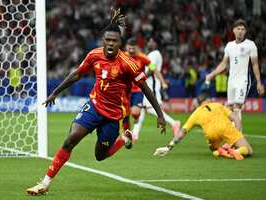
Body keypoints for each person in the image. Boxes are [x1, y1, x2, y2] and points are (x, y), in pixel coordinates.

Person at [27, 9, 166, 196]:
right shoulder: (94, 55)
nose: (110, 43)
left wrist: (159, 114)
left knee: (100, 156)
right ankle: (44, 183)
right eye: (107, 40)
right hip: (93, 105)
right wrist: (55, 93)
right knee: (70, 139)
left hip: (112, 114)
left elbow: (145, 88)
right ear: (103, 40)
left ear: (120, 43)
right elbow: (77, 74)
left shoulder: (128, 64)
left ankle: (123, 139)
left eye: (114, 41)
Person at [154, 92, 253, 160]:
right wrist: (238, 135)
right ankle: (238, 151)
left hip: (211, 134)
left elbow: (182, 133)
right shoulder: (217, 105)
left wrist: (169, 146)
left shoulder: (195, 113)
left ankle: (218, 152)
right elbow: (236, 119)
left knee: (213, 148)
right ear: (208, 100)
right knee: (249, 151)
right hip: (225, 127)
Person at [205, 19, 265, 126]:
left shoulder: (250, 45)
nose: (240, 31)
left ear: (245, 31)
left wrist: (259, 82)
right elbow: (224, 64)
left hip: (243, 80)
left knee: (237, 107)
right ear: (233, 30)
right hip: (231, 81)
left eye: (242, 29)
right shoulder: (229, 46)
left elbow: (255, 64)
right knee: (231, 108)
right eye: (238, 29)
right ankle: (233, 138)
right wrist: (212, 74)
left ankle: (237, 138)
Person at [131, 36, 181, 141]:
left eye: (152, 41)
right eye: (149, 41)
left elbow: (151, 70)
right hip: (146, 85)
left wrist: (139, 78)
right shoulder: (153, 54)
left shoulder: (154, 54)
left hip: (151, 85)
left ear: (156, 44)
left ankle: (174, 123)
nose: (149, 43)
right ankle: (135, 134)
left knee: (150, 109)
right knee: (142, 109)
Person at [122, 37, 151, 131]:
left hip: (138, 90)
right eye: (129, 48)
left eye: (133, 48)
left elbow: (152, 66)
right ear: (126, 47)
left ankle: (137, 116)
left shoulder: (142, 57)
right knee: (124, 115)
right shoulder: (122, 56)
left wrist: (146, 75)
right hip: (125, 89)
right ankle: (127, 135)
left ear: (137, 48)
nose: (131, 50)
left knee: (134, 113)